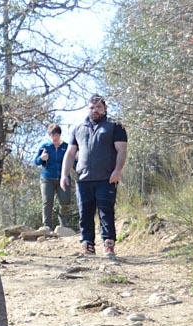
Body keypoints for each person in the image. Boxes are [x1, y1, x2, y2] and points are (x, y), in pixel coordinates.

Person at [60, 94, 128, 258]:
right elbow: (70, 153)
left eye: (98, 107)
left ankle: (108, 244)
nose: (95, 110)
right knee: (85, 213)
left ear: (105, 108)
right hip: (83, 179)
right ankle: (87, 245)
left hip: (106, 178)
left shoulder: (115, 126)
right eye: (92, 107)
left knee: (106, 212)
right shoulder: (78, 128)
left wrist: (117, 170)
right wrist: (64, 174)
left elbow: (122, 150)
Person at [34, 123, 74, 232]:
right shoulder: (45, 147)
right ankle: (47, 226)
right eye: (52, 135)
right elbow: (36, 161)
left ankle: (63, 224)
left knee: (65, 201)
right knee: (47, 202)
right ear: (49, 136)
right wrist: (42, 158)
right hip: (47, 178)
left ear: (60, 135)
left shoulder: (66, 147)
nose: (54, 137)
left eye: (56, 135)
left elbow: (73, 161)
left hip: (63, 177)